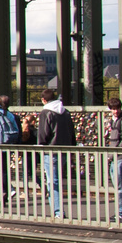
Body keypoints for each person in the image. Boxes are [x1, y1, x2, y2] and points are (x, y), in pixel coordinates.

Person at [35, 88, 75, 218]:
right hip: (65, 149)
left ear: (43, 100)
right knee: (58, 179)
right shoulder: (65, 112)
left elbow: (43, 133)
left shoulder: (46, 112)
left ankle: (57, 212)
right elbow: (71, 132)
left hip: (50, 150)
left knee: (52, 181)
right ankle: (58, 211)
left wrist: (41, 146)